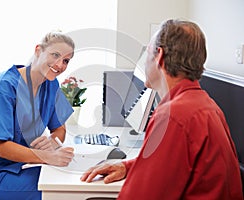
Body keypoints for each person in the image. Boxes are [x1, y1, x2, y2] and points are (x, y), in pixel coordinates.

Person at [81, 19, 243, 199]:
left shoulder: (173, 116)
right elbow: (177, 165)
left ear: (159, 55)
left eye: (147, 52)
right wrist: (127, 166)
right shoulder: (208, 106)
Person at [0, 32, 75, 199]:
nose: (60, 64)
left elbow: (59, 128)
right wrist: (46, 157)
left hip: (22, 166)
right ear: (38, 50)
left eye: (66, 60)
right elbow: (1, 148)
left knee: (69, 181)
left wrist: (52, 144)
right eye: (55, 55)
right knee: (58, 193)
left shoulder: (51, 85)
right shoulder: (2, 87)